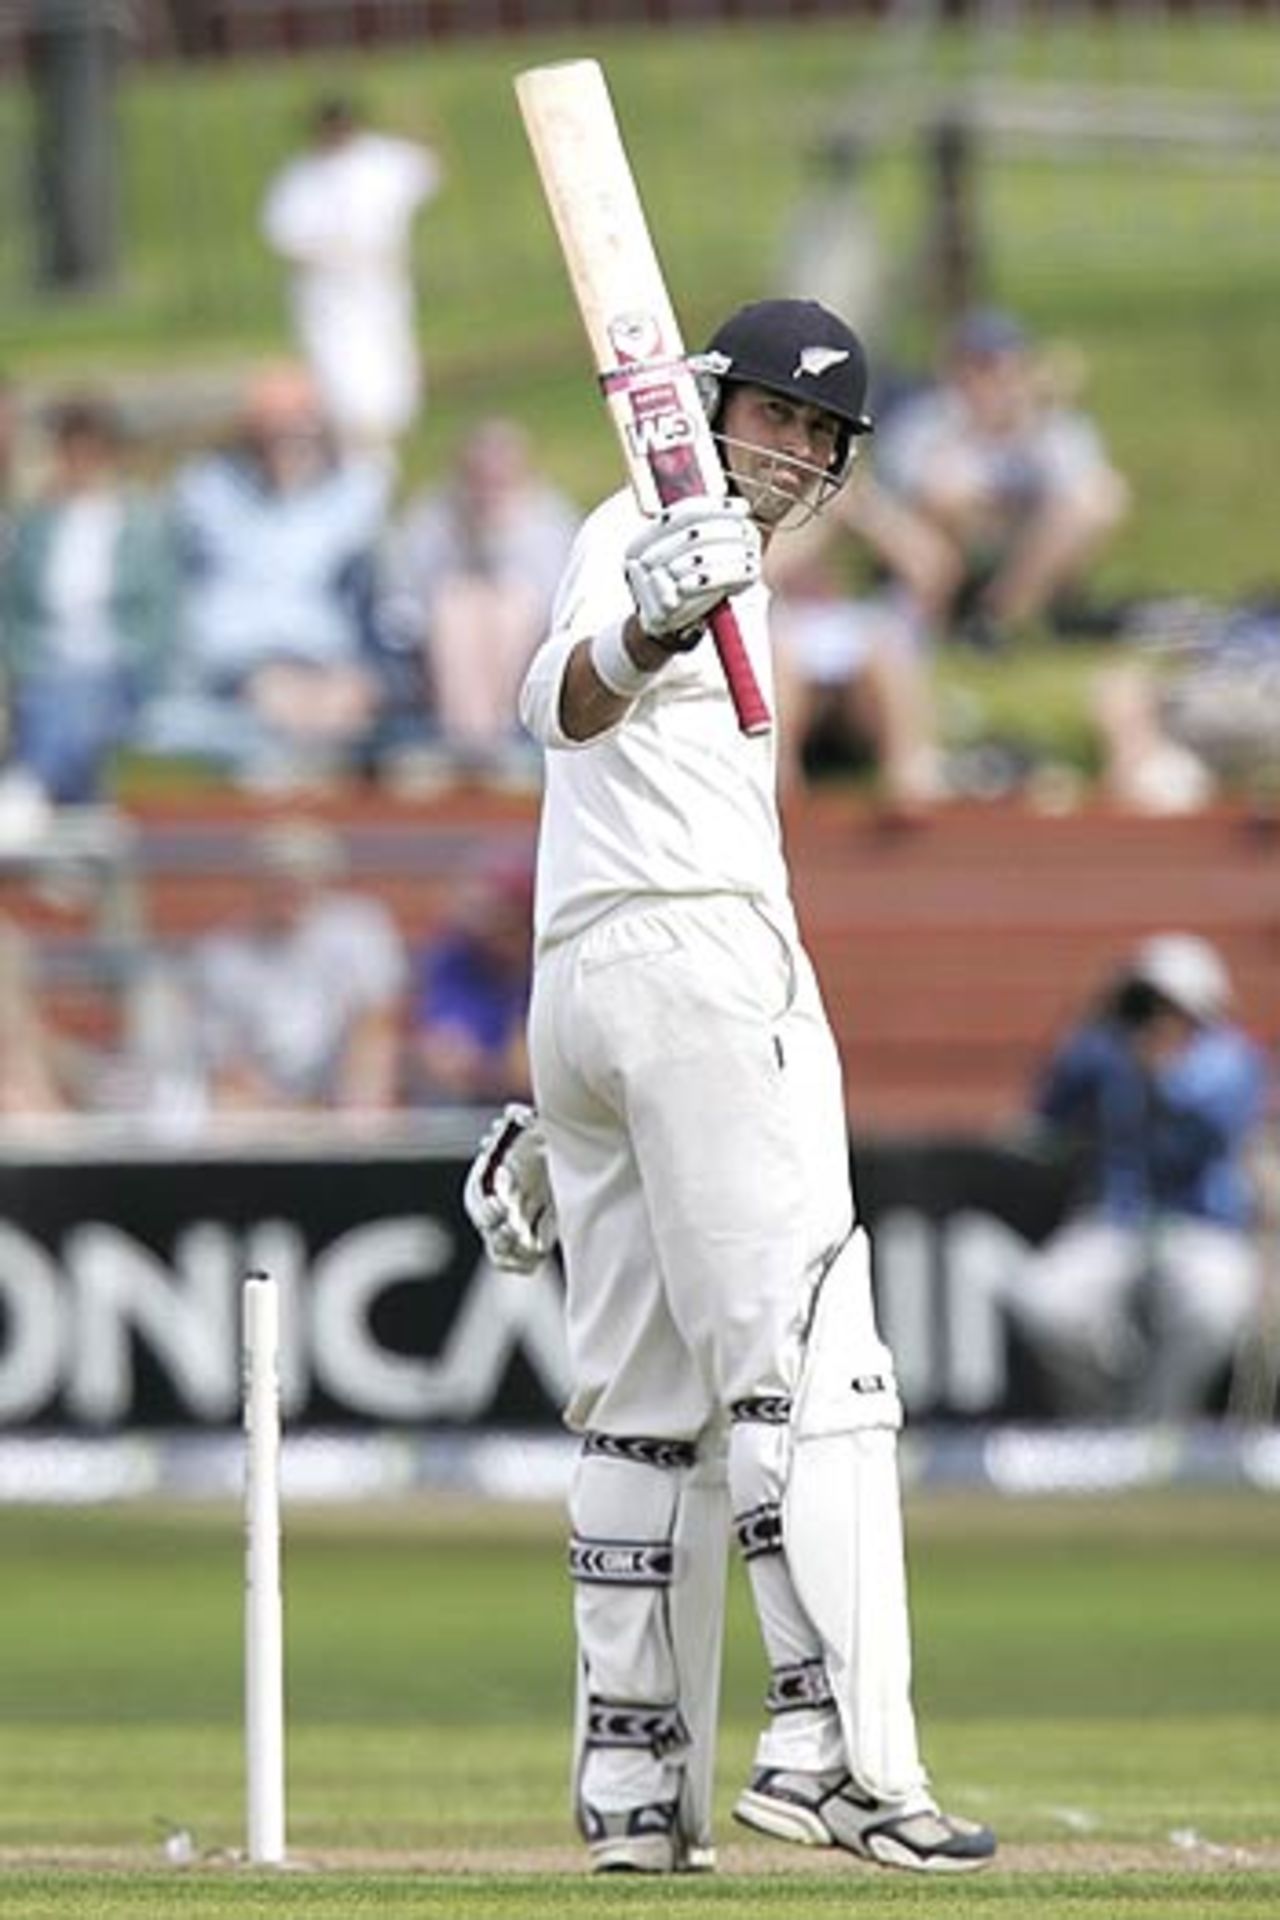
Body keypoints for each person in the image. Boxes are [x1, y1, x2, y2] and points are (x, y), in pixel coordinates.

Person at [466, 298, 995, 1877]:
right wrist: (644, 625)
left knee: (640, 1406)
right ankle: (836, 1750)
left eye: (829, 436)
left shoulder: (730, 556)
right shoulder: (639, 524)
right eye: (787, 417)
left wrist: (561, 1101)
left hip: (593, 992)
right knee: (815, 1369)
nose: (809, 453)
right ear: (710, 402)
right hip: (700, 970)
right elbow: (550, 703)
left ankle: (638, 1790)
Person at [1007, 933, 1269, 1421]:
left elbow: (1215, 1118)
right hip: (1113, 1221)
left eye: (1167, 1004)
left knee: (1214, 1307)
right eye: (1143, 1002)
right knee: (1046, 1305)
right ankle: (1105, 1423)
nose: (1154, 1017)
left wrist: (1163, 1067)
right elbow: (1043, 1116)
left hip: (1202, 1225)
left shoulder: (1233, 1057)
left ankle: (1159, 1424)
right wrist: (1091, 1025)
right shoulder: (1104, 1052)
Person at [141, 364, 396, 787]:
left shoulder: (354, 493)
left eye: (299, 429)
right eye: (275, 430)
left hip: (326, 659)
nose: (288, 443)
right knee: (281, 698)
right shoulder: (207, 492)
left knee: (346, 702)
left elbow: (371, 598)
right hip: (241, 661)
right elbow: (193, 597)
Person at [874, 307, 1129, 650]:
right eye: (978, 366)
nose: (991, 380)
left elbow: (1081, 486)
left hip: (1026, 553)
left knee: (1101, 496)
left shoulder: (1053, 424)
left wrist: (1029, 423)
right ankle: (947, 616)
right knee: (948, 496)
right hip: (947, 556)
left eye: (1001, 367)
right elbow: (913, 490)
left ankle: (998, 619)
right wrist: (974, 429)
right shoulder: (927, 419)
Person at [0, 393, 178, 804]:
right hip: (45, 672)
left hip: (120, 669)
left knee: (77, 696)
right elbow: (16, 615)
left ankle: (30, 791)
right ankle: (54, 813)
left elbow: (163, 616)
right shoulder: (36, 524)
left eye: (92, 451)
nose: (81, 462)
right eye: (71, 449)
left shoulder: (143, 523)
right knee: (60, 698)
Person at [383, 417, 580, 781]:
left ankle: (493, 744)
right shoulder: (431, 521)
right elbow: (402, 604)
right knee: (457, 604)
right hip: (435, 666)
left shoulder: (550, 523)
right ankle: (469, 743)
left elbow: (559, 606)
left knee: (508, 607)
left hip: (527, 657)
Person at [182, 817, 408, 1119]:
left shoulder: (361, 929)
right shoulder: (221, 955)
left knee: (370, 1084)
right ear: (258, 880)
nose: (290, 884)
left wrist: (353, 1112)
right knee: (226, 1108)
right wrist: (284, 1116)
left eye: (302, 873)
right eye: (278, 874)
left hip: (344, 1095)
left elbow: (376, 1024)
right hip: (257, 1105)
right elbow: (226, 1061)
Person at [261, 94, 443, 457]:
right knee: (340, 371)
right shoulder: (302, 177)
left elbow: (429, 170)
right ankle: (350, 437)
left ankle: (388, 432)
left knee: (388, 361)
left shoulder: (380, 159)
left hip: (379, 284)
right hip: (330, 297)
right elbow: (286, 237)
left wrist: (420, 122)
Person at [408, 858, 533, 1105]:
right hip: (475, 1099)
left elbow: (527, 1071)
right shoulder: (458, 952)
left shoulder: (545, 964)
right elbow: (445, 1045)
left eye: (503, 918)